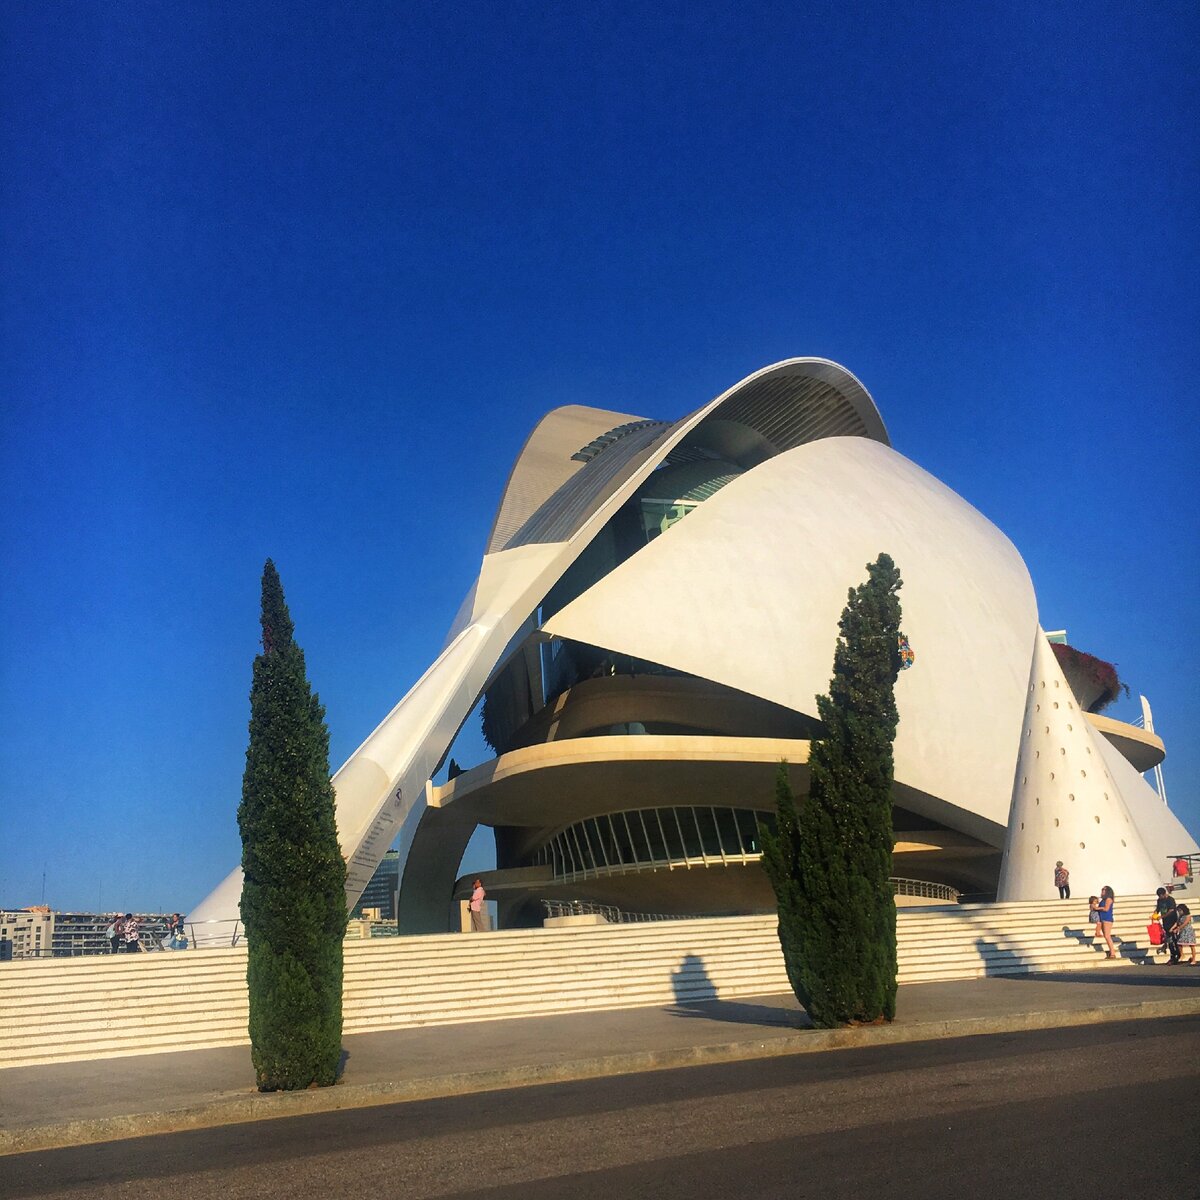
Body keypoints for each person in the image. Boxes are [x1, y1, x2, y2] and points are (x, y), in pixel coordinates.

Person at [1096, 886, 1116, 959]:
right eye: (1102, 890)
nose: (1102, 891)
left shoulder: (1109, 899)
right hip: (1102, 918)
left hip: (1107, 919)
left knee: (1107, 936)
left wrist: (1097, 908)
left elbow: (1106, 908)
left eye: (1104, 890)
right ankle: (1111, 952)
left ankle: (1113, 953)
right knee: (1106, 936)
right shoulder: (1103, 900)